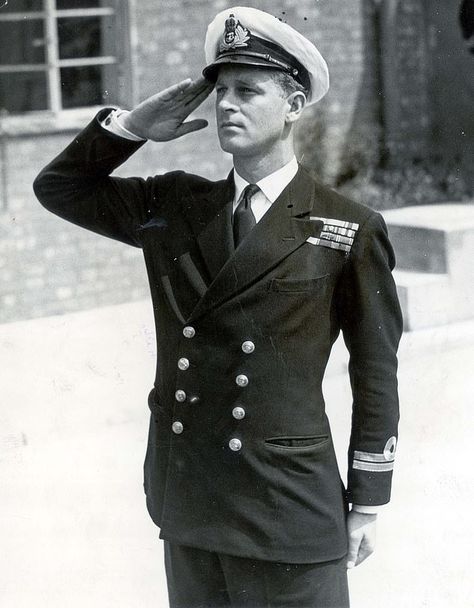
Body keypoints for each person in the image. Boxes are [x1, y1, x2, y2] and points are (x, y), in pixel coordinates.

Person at [34, 6, 402, 607]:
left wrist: (367, 501)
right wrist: (129, 127)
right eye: (220, 90)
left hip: (287, 509)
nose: (226, 104)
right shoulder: (178, 206)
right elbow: (60, 189)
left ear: (293, 104)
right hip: (192, 500)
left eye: (248, 90)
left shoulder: (348, 228)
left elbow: (376, 373)